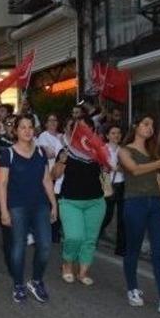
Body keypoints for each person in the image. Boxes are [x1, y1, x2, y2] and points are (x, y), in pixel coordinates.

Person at [118, 115, 160, 313]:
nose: (149, 128)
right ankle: (132, 289)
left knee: (159, 251)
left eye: (152, 126)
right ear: (135, 126)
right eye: (145, 124)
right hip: (135, 203)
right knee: (133, 249)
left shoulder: (153, 152)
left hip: (156, 204)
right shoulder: (124, 150)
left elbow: (159, 180)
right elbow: (135, 170)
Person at [0, 114, 57, 304]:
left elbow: (46, 180)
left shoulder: (41, 152)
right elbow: (2, 184)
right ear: (15, 130)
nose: (27, 130)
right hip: (17, 206)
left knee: (46, 246)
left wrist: (53, 204)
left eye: (30, 127)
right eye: (22, 127)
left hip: (40, 205)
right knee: (18, 248)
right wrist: (4, 211)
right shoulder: (9, 153)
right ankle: (18, 284)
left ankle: (36, 281)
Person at [52, 117, 106, 286]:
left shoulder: (98, 151)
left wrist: (106, 161)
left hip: (96, 201)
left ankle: (83, 272)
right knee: (74, 237)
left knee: (90, 239)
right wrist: (62, 160)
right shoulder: (66, 151)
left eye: (88, 130)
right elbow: (54, 175)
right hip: (70, 201)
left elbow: (107, 169)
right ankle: (67, 264)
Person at [101, 124, 127, 256]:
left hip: (121, 185)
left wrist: (121, 168)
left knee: (122, 218)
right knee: (107, 215)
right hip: (107, 184)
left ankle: (121, 248)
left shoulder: (124, 150)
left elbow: (128, 168)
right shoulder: (102, 149)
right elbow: (100, 168)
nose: (116, 135)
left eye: (118, 133)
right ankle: (93, 235)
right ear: (107, 135)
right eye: (113, 133)